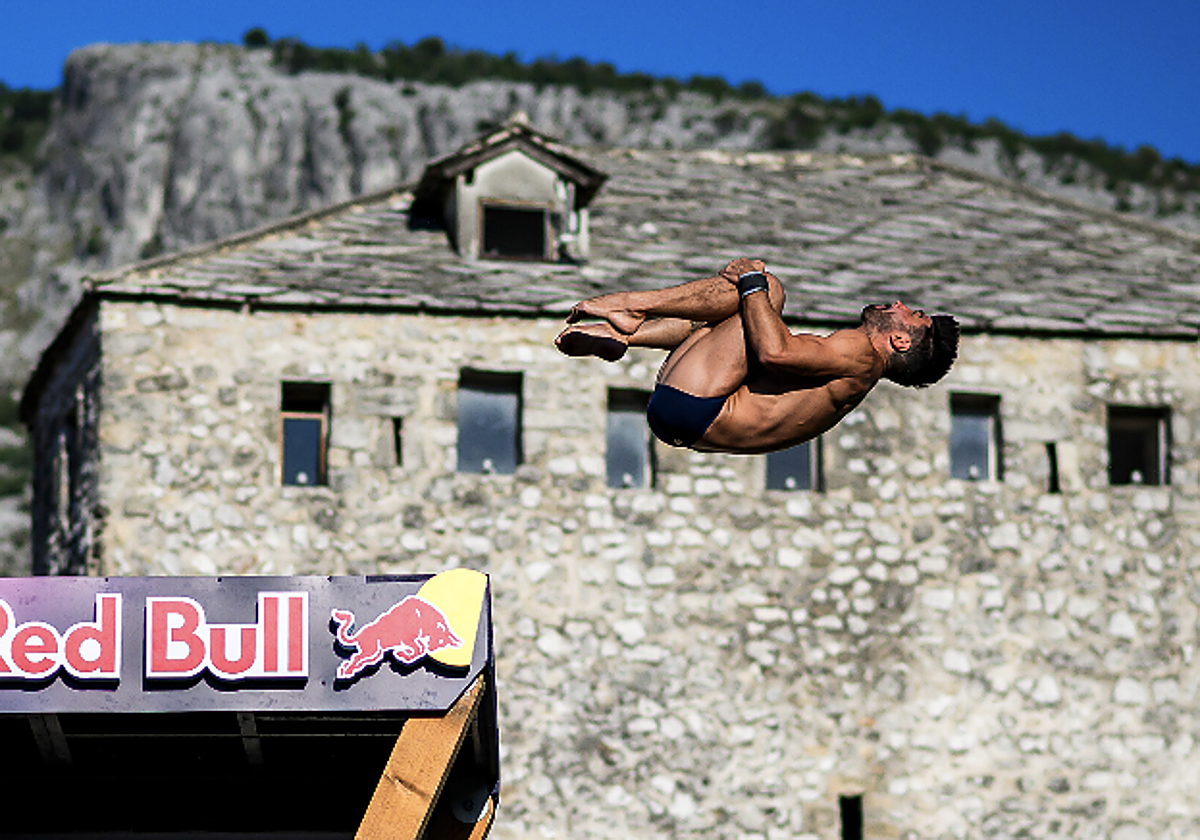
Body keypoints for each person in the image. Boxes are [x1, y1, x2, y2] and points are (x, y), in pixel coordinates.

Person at [555, 259, 959, 454]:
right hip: (686, 418)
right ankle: (625, 335)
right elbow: (755, 348)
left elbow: (775, 352)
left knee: (767, 288)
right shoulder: (852, 376)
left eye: (912, 314)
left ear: (900, 341)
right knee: (744, 317)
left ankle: (631, 306)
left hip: (700, 404)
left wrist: (752, 281)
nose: (900, 304)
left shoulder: (862, 354)